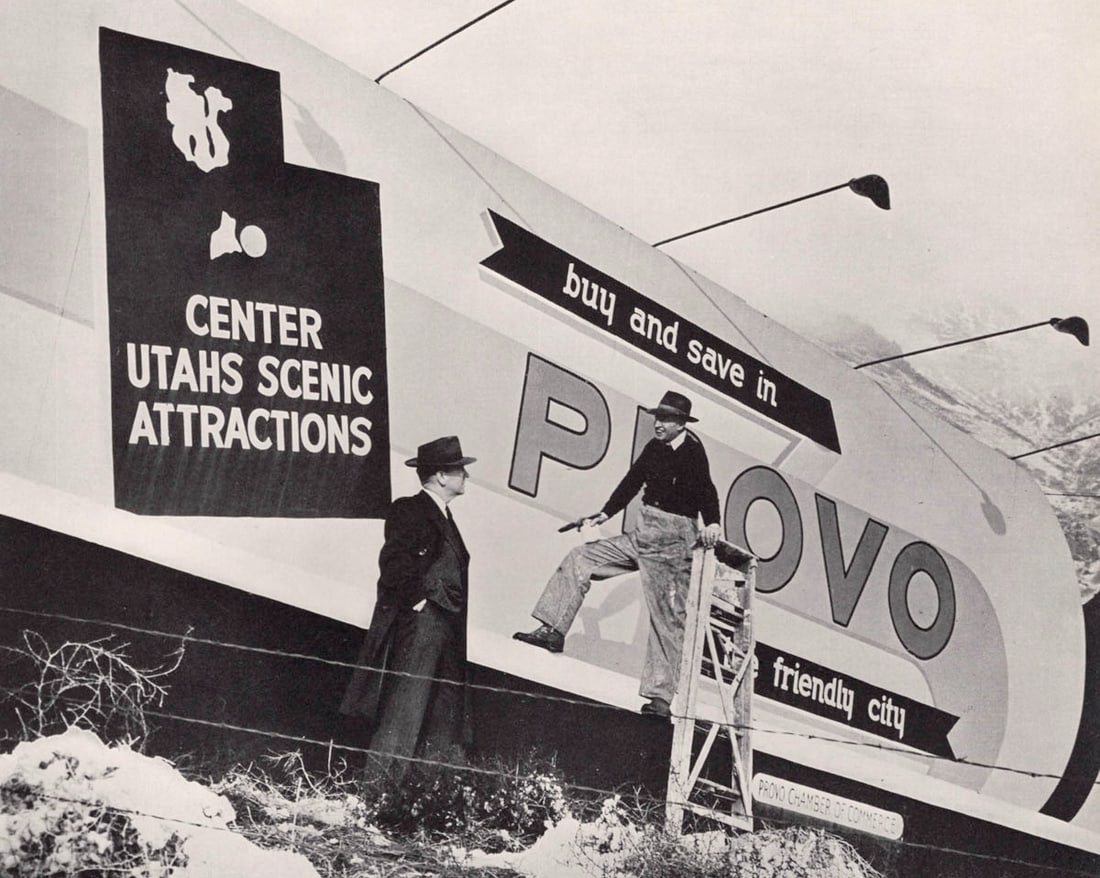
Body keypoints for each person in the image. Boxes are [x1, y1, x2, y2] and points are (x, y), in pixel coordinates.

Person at [513, 390, 721, 718]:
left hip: (675, 540)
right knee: (581, 557)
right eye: (657, 417)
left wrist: (713, 523)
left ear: (681, 424)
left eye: (665, 419)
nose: (658, 423)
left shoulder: (694, 452)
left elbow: (707, 490)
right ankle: (553, 630)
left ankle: (661, 699)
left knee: (666, 618)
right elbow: (632, 480)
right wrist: (605, 514)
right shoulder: (655, 448)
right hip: (646, 529)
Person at [339, 435, 476, 780]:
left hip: (446, 631)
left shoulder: (445, 517)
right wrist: (418, 602)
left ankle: (421, 801)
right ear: (442, 476)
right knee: (405, 710)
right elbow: (394, 564)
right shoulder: (409, 509)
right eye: (460, 470)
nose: (466, 476)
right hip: (423, 627)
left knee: (442, 716)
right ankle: (379, 793)